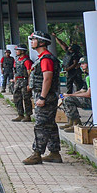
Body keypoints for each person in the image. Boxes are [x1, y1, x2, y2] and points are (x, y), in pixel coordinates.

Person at [22, 31, 62, 165]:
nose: (31, 41)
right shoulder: (42, 58)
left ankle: (37, 154)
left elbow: (47, 78)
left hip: (46, 97)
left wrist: (42, 97)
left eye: (34, 39)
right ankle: (54, 153)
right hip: (46, 96)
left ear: (42, 42)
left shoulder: (46, 59)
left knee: (41, 125)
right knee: (49, 125)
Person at [61, 57, 91, 132]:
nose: (81, 66)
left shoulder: (91, 77)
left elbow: (88, 94)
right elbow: (83, 90)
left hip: (93, 101)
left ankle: (77, 123)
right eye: (80, 64)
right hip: (89, 99)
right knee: (65, 98)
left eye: (83, 64)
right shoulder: (87, 76)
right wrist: (69, 94)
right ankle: (71, 121)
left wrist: (71, 96)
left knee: (69, 100)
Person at [10, 44, 33, 122]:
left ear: (22, 51)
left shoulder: (27, 61)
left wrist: (29, 84)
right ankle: (20, 114)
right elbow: (15, 72)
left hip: (25, 80)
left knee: (26, 98)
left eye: (18, 50)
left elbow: (29, 73)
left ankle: (28, 115)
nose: (16, 52)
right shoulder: (17, 60)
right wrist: (15, 80)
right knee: (17, 98)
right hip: (18, 81)